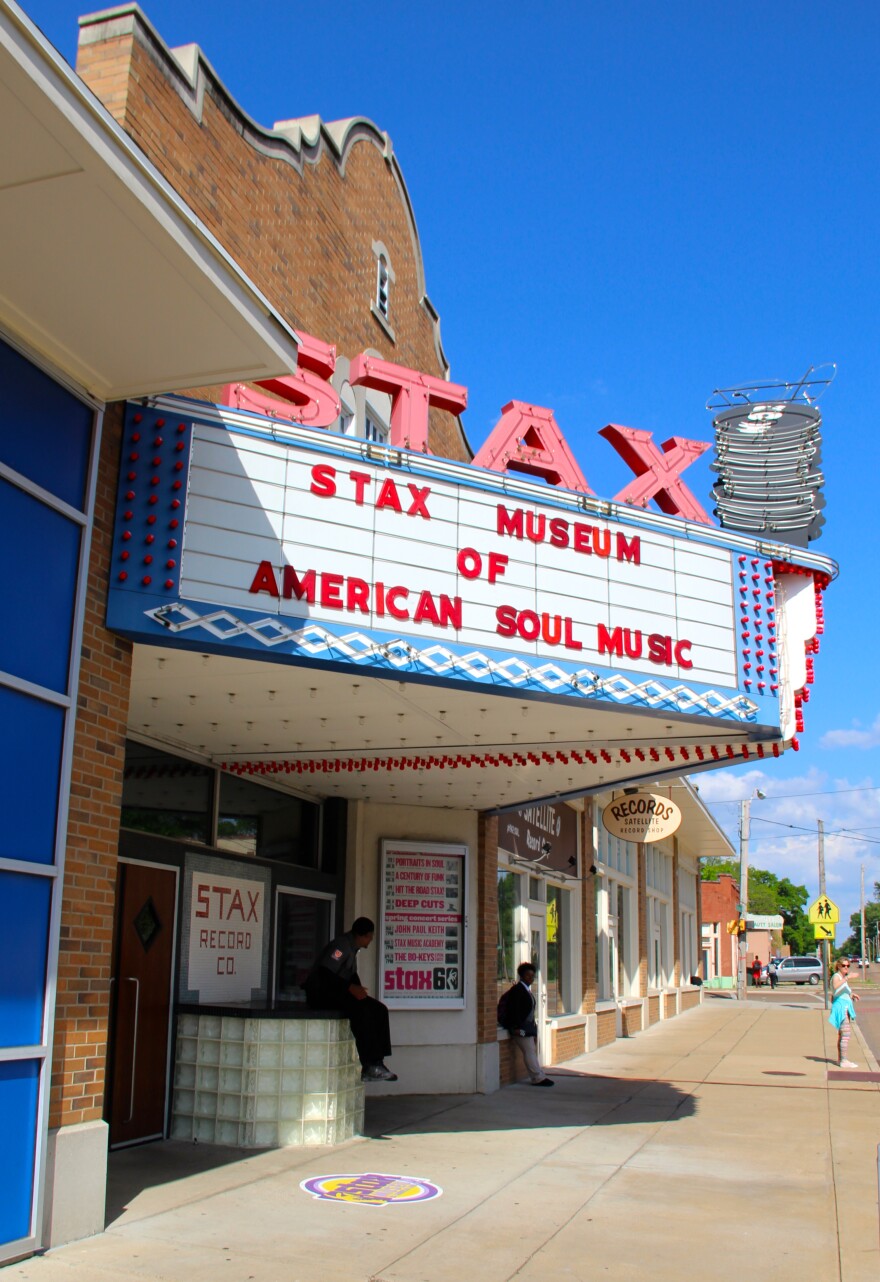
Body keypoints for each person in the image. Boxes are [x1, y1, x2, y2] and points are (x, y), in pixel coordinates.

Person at [304, 916, 397, 1082]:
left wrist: (359, 990)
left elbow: (351, 975)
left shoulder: (353, 948)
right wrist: (351, 988)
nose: (371, 939)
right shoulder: (341, 946)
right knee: (361, 1012)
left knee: (378, 1009)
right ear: (363, 935)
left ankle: (378, 1061)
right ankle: (369, 1064)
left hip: (338, 992)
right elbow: (325, 971)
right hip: (322, 995)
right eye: (370, 936)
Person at [497, 962, 554, 1086]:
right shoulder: (518, 991)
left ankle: (538, 1075)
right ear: (522, 976)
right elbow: (514, 1010)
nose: (531, 979)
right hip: (519, 1028)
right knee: (529, 1050)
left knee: (531, 1050)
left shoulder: (526, 990)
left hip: (526, 1027)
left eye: (533, 976)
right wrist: (515, 1028)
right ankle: (537, 1077)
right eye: (528, 976)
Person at [829, 956, 860, 1069]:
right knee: (845, 1034)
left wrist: (851, 995)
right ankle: (844, 1060)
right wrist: (847, 977)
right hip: (841, 1008)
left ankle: (840, 1059)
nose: (846, 968)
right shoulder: (837, 977)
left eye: (848, 966)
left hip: (844, 1006)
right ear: (838, 966)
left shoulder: (841, 977)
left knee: (842, 1034)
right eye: (844, 966)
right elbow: (836, 987)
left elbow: (842, 991)